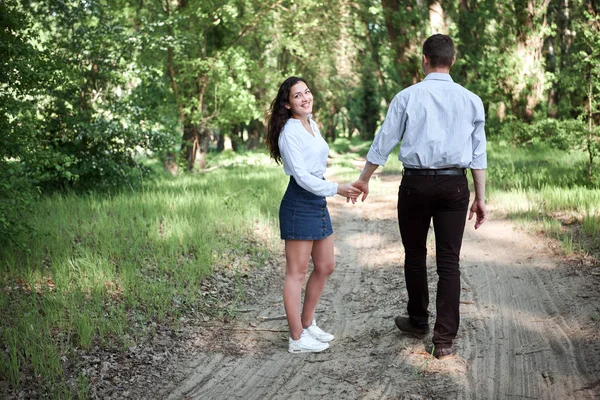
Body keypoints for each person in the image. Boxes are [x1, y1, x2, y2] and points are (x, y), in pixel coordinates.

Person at [352, 34, 487, 359]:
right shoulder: (471, 100)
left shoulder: (407, 96)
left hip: (415, 185)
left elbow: (384, 141)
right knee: (448, 262)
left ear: (424, 59)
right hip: (455, 186)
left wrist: (363, 179)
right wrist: (480, 197)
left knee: (414, 255)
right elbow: (478, 153)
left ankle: (417, 321)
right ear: (452, 60)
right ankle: (443, 341)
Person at [266, 76, 359, 353]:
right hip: (299, 202)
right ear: (287, 103)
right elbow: (303, 177)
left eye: (307, 92)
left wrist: (330, 188)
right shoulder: (289, 133)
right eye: (297, 96)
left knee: (326, 265)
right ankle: (296, 338)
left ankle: (307, 324)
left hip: (316, 202)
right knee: (295, 273)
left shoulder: (311, 124)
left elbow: (315, 169)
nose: (306, 97)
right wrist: (337, 188)